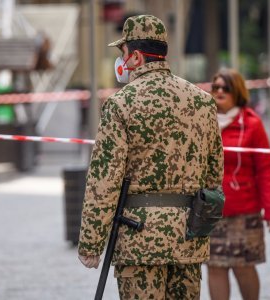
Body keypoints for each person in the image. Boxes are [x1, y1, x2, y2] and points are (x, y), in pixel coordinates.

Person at [77, 15, 224, 299]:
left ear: (135, 57)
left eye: (123, 52)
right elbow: (214, 171)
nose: (120, 60)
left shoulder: (121, 103)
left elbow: (104, 180)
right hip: (189, 236)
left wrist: (91, 243)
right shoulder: (202, 101)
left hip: (138, 238)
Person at [207, 69, 270, 300]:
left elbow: (266, 170)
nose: (219, 91)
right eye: (216, 87)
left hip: (244, 211)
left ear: (236, 92)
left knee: (243, 266)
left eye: (225, 88)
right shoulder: (202, 121)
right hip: (210, 210)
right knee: (215, 266)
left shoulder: (252, 124)